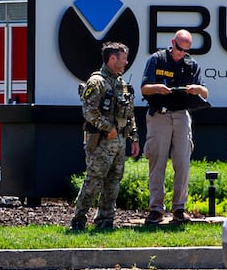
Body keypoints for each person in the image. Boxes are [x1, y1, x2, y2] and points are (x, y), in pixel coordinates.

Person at [141, 30, 209, 225]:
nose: (182, 53)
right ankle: (156, 209)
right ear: (173, 43)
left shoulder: (191, 64)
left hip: (181, 114)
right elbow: (144, 88)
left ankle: (179, 208)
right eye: (179, 48)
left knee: (182, 162)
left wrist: (198, 90)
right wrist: (158, 89)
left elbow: (205, 91)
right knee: (157, 161)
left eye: (186, 50)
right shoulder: (157, 59)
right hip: (159, 113)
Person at [70, 42, 140, 231]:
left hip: (119, 142)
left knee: (114, 182)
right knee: (94, 181)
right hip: (101, 141)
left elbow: (130, 113)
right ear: (112, 58)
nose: (126, 62)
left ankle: (105, 220)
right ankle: (78, 220)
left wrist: (134, 138)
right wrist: (108, 128)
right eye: (123, 58)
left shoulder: (121, 83)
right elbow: (89, 111)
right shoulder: (97, 82)